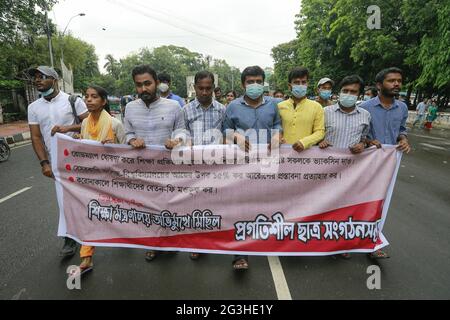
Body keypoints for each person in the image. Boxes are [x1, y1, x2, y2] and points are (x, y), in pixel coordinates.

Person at [222, 65, 282, 270]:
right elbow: (226, 130)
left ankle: (269, 242)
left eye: (258, 81)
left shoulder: (273, 105)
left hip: (267, 162)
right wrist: (235, 136)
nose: (254, 85)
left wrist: (277, 134)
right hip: (241, 164)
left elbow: (277, 125)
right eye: (250, 82)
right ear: (243, 84)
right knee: (241, 208)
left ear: (263, 83)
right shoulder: (233, 106)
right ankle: (240, 254)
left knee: (268, 203)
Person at [124, 64, 185, 262]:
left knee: (169, 205)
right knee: (148, 207)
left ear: (157, 83)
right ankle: (153, 244)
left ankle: (170, 241)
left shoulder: (174, 107)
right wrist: (132, 140)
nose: (143, 89)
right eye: (139, 85)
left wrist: (176, 140)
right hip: (143, 169)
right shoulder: (130, 108)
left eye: (148, 84)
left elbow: (182, 131)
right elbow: (128, 133)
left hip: (170, 168)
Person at [27, 65, 89, 258]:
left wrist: (67, 128)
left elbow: (89, 124)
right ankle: (70, 237)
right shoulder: (33, 107)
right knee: (64, 200)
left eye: (42, 76)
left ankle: (95, 230)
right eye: (35, 78)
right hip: (57, 163)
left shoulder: (73, 101)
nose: (37, 80)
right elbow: (36, 137)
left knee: (85, 196)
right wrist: (44, 163)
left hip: (81, 160)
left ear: (54, 80)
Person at [319, 75, 372, 259]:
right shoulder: (325, 112)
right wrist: (321, 141)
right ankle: (319, 239)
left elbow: (365, 138)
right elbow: (315, 135)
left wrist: (363, 145)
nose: (349, 94)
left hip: (350, 173)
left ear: (359, 95)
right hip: (325, 171)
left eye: (353, 92)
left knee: (346, 207)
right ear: (339, 92)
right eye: (345, 91)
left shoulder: (365, 115)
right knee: (324, 205)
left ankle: (341, 244)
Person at [360, 67, 411, 260]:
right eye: (392, 81)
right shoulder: (365, 107)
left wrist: (403, 139)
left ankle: (373, 242)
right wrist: (368, 141)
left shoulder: (403, 108)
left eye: (399, 80)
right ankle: (348, 240)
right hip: (366, 165)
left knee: (380, 204)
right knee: (358, 202)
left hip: (389, 164)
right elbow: (359, 135)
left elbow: (402, 130)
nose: (397, 84)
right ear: (379, 85)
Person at [77, 85, 126, 273]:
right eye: (86, 96)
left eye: (94, 97)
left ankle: (125, 235)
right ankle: (86, 256)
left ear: (103, 101)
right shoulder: (83, 124)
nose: (89, 100)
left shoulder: (115, 125)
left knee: (121, 212)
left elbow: (127, 156)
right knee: (88, 213)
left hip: (114, 180)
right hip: (90, 180)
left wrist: (113, 148)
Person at [182, 71, 226, 260]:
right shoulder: (186, 110)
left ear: (213, 88)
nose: (205, 92)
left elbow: (228, 135)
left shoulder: (223, 110)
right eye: (201, 88)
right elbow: (182, 134)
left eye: (209, 88)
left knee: (216, 204)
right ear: (195, 88)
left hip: (217, 165)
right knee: (195, 205)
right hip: (194, 166)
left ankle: (215, 239)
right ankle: (197, 242)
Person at [278, 67, 325, 152]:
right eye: (296, 82)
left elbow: (320, 132)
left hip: (306, 155)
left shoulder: (317, 107)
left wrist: (304, 142)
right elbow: (275, 128)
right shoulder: (279, 106)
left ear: (307, 84)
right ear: (289, 86)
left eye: (303, 82)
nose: (300, 85)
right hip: (283, 154)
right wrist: (277, 138)